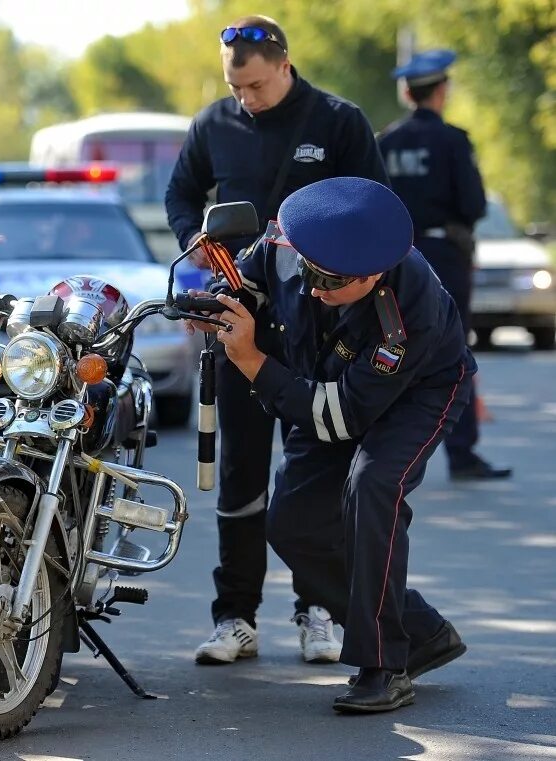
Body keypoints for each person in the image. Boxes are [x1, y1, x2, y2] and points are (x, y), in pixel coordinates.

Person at [190, 176, 470, 712]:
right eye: (308, 269)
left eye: (330, 281)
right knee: (292, 523)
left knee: (372, 487)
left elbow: (342, 416)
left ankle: (385, 664)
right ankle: (421, 632)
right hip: (326, 379)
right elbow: (253, 281)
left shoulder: (403, 318)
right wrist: (223, 303)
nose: (313, 287)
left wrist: (252, 361)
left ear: (371, 275)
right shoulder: (288, 243)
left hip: (415, 393)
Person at [164, 13, 390, 666]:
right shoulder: (214, 124)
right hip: (237, 315)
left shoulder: (339, 121)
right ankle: (235, 615)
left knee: (314, 476)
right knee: (241, 474)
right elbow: (181, 193)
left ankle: (316, 609)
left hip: (318, 321)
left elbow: (376, 205)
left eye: (258, 87)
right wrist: (193, 241)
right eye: (238, 89)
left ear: (285, 66)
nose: (247, 100)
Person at [378, 49, 511, 480]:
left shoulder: (386, 142)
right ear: (441, 91)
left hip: (395, 261)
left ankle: (384, 454)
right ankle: (462, 454)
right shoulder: (453, 140)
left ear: (406, 92)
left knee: (391, 345)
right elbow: (472, 204)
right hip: (446, 258)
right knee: (454, 349)